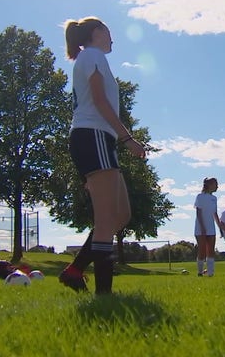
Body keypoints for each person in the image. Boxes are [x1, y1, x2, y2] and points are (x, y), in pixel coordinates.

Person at [59, 16, 147, 295]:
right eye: (109, 32)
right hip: (92, 136)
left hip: (100, 140)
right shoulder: (92, 56)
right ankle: (104, 295)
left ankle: (75, 270)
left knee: (121, 214)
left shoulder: (93, 58)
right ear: (96, 32)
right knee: (107, 218)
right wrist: (128, 139)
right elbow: (99, 100)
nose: (113, 38)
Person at [194, 177, 218, 276]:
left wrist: (219, 226)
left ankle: (210, 272)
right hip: (200, 227)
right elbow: (198, 213)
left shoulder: (214, 198)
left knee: (211, 250)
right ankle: (200, 272)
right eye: (215, 184)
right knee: (202, 250)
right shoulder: (200, 197)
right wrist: (202, 227)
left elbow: (215, 214)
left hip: (211, 227)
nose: (217, 187)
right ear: (209, 185)